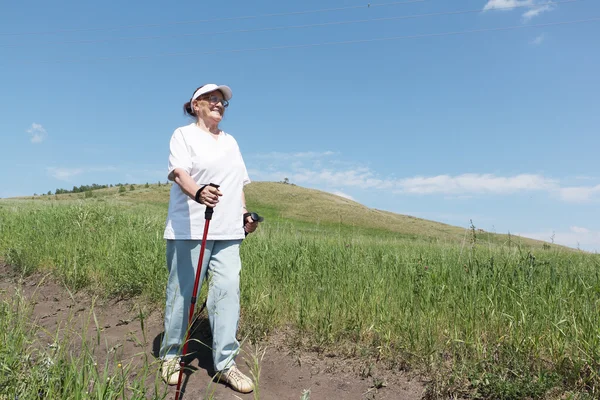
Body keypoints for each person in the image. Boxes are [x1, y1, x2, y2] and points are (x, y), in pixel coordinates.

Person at [159, 83, 258, 394]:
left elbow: (237, 182)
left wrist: (243, 215)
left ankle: (226, 363)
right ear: (196, 104)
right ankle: (171, 355)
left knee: (227, 293)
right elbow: (179, 173)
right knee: (182, 294)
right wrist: (198, 192)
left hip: (228, 231)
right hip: (191, 227)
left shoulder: (230, 142)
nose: (219, 105)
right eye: (212, 100)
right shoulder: (183, 135)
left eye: (223, 102)